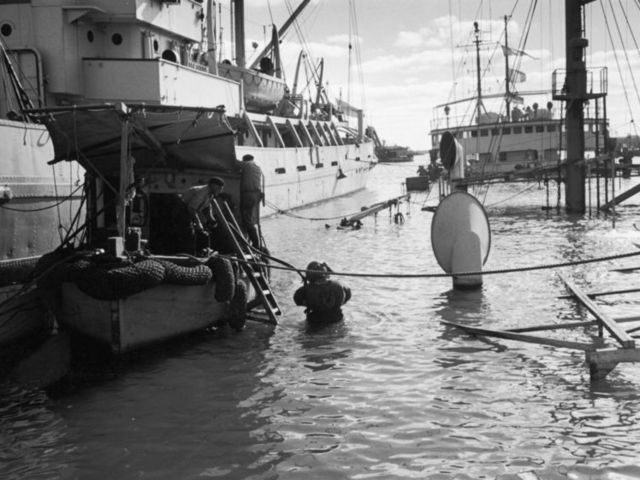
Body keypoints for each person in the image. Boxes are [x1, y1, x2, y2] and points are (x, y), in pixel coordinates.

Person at [181, 177, 225, 253]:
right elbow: (191, 208)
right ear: (213, 185)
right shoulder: (203, 192)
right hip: (182, 209)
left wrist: (211, 220)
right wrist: (198, 223)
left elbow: (207, 207)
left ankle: (204, 251)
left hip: (191, 210)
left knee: (204, 230)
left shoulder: (210, 194)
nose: (220, 191)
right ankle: (189, 253)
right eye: (219, 188)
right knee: (190, 231)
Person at [239, 154, 264, 248]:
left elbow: (235, 165)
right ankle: (252, 242)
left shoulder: (247, 164)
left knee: (247, 220)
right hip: (255, 195)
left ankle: (255, 244)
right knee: (249, 219)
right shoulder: (257, 167)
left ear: (245, 160)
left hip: (247, 195)